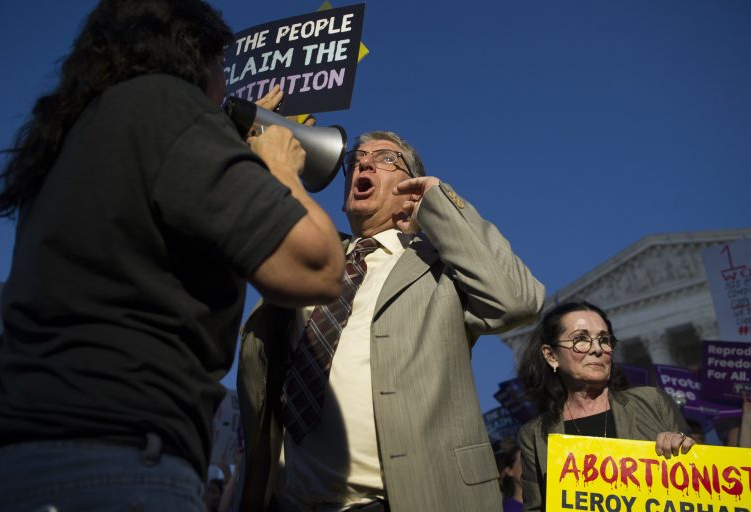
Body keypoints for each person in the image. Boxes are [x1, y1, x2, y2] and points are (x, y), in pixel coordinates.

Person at [0, 0, 345, 510]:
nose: (223, 90)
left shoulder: (72, 136)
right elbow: (318, 267)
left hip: (17, 460)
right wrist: (279, 168)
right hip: (120, 461)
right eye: (221, 68)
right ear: (195, 55)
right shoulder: (167, 103)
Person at [238, 129, 545, 511]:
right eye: (357, 160)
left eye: (386, 159)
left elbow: (516, 301)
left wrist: (438, 203)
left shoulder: (439, 264)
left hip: (401, 501)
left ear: (411, 185)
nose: (363, 163)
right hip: (292, 501)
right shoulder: (316, 260)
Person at [516, 301, 695, 512]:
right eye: (580, 339)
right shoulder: (535, 435)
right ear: (551, 355)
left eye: (604, 339)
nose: (597, 349)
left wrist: (683, 448)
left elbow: (702, 486)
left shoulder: (652, 401)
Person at [494, 438, 524, 512]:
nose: (528, 467)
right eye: (522, 463)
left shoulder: (547, 500)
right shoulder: (505, 509)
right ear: (509, 471)